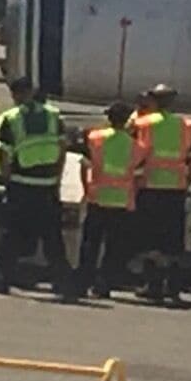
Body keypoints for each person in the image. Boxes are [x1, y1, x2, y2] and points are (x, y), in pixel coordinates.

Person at [0, 76, 72, 295]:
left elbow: (3, 153)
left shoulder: (11, 118)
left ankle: (2, 280)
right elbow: (62, 149)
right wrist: (57, 178)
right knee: (53, 238)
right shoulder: (54, 116)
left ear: (15, 94)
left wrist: (7, 179)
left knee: (10, 236)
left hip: (21, 184)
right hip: (47, 184)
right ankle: (62, 282)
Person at [126, 83, 191, 304]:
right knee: (172, 241)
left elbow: (130, 150)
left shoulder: (144, 123)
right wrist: (186, 180)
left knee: (150, 239)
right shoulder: (185, 125)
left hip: (150, 186)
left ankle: (153, 285)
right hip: (175, 189)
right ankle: (173, 287)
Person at [77, 97, 139, 298]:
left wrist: (87, 190)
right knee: (114, 247)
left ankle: (83, 282)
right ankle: (104, 285)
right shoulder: (135, 145)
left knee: (90, 244)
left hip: (97, 198)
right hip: (121, 201)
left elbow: (84, 165)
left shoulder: (95, 138)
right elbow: (138, 174)